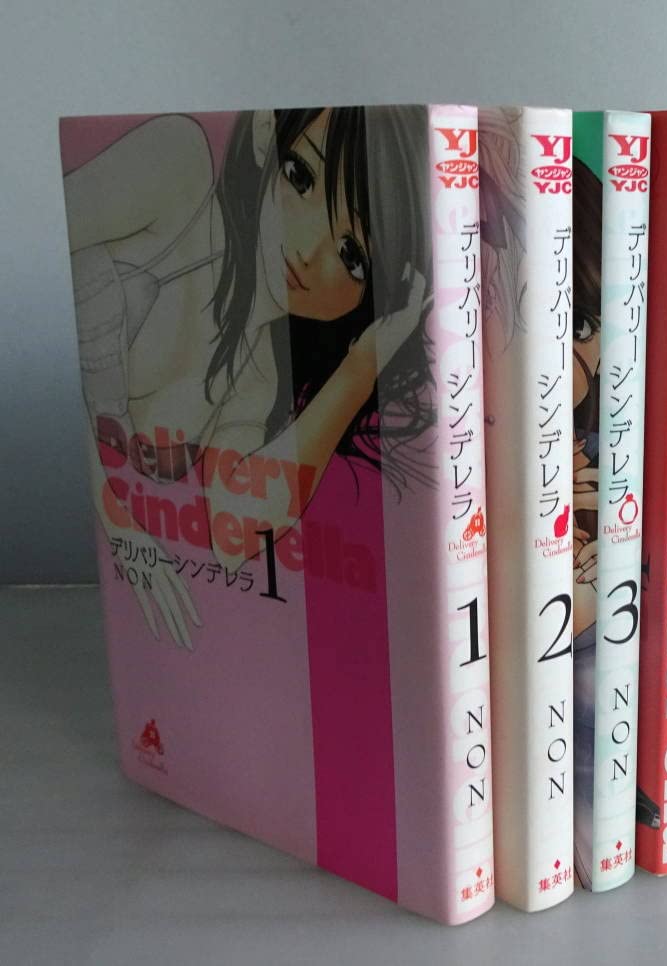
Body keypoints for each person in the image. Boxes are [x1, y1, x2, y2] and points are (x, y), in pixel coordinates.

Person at [65, 105, 434, 648]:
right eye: (301, 177)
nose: (307, 251)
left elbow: (235, 536)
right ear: (266, 136)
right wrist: (119, 523)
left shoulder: (254, 378)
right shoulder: (178, 171)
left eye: (352, 255)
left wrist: (359, 372)